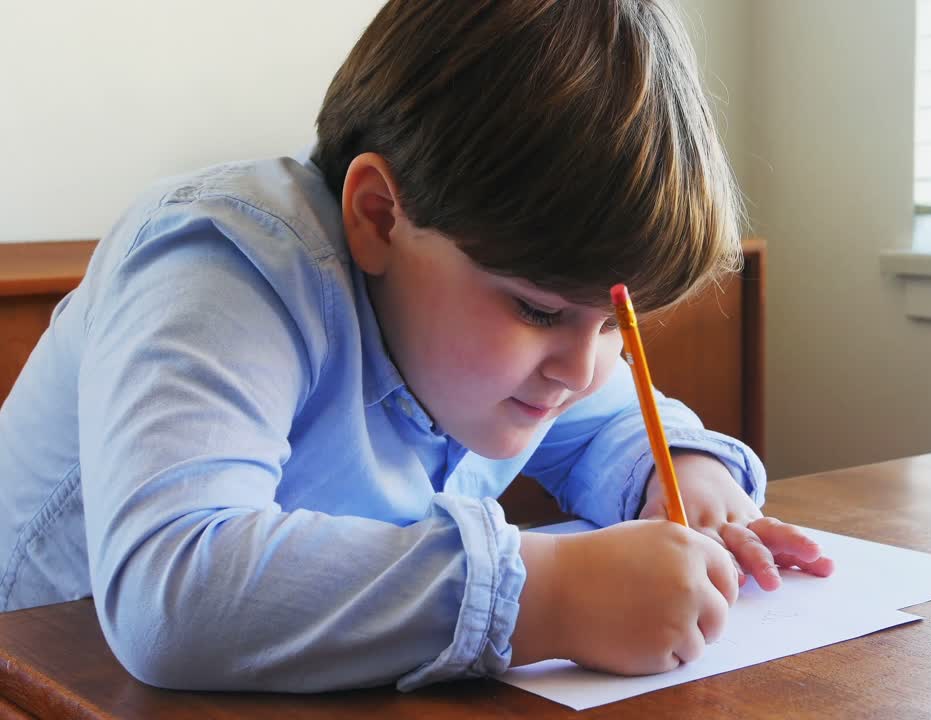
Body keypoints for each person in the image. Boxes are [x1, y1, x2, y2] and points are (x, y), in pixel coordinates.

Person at [0, 0, 833, 692]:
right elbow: (173, 590)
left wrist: (679, 474)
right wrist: (547, 597)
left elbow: (608, 419)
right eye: (539, 311)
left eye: (618, 323)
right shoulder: (226, 264)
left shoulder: (516, 348)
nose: (584, 369)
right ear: (376, 217)